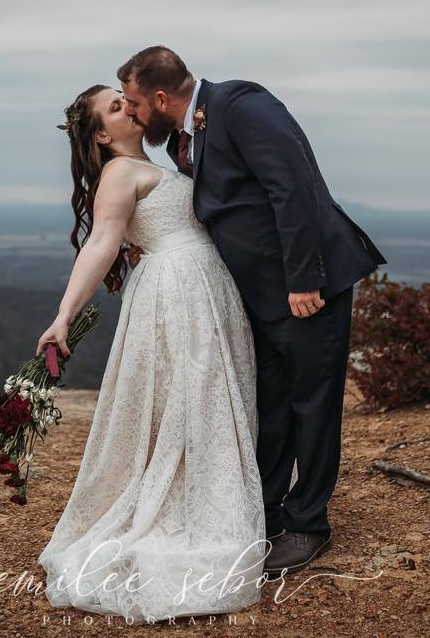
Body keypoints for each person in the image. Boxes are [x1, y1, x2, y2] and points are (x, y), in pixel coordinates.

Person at [117, 46, 388, 575]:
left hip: (306, 288)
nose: (130, 113)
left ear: (161, 96)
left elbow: (294, 189)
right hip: (260, 295)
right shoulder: (184, 136)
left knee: (313, 404)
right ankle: (263, 513)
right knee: (272, 404)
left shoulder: (241, 105)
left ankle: (309, 524)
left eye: (132, 102)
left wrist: (304, 279)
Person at [35, 84, 266, 624]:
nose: (128, 108)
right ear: (100, 134)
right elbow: (101, 243)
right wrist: (64, 315)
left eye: (126, 99)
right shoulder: (119, 173)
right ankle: (190, 504)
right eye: (114, 108)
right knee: (191, 394)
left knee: (204, 393)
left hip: (202, 284)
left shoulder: (157, 161)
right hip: (177, 293)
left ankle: (208, 487)